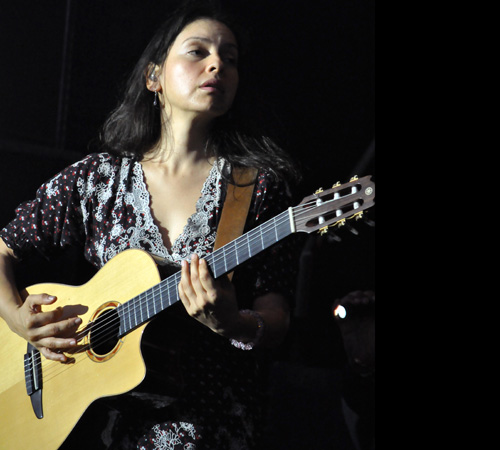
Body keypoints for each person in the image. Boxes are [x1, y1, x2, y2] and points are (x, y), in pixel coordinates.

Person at [0, 4, 301, 449]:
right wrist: (17, 316)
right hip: (107, 433)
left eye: (230, 58)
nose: (217, 63)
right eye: (198, 51)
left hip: (217, 429)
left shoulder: (255, 190)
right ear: (153, 77)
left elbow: (277, 317)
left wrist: (234, 323)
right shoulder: (97, 179)